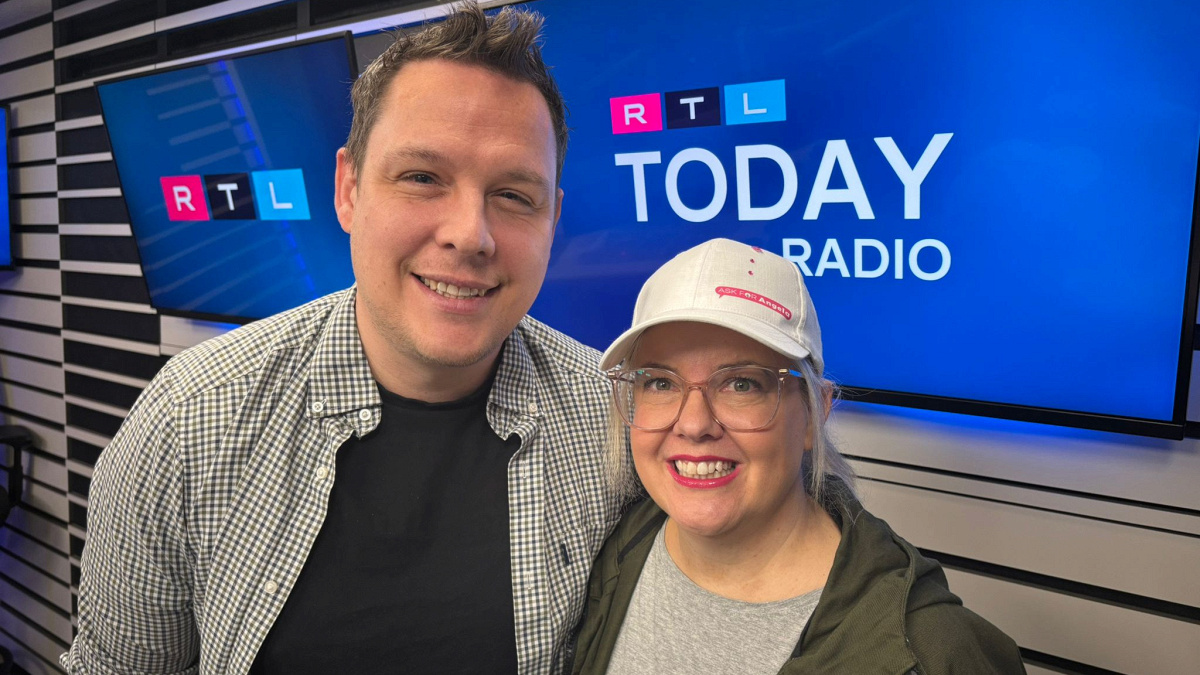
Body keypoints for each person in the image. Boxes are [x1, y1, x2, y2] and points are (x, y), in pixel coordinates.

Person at [62, 5, 624, 674]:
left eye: (513, 195)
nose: (470, 234)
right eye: (422, 178)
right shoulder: (190, 419)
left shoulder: (617, 424)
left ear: (552, 218)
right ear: (349, 189)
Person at [570, 238, 1025, 674]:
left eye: (742, 384)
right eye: (660, 382)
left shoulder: (931, 653)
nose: (693, 424)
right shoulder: (619, 544)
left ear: (813, 413)